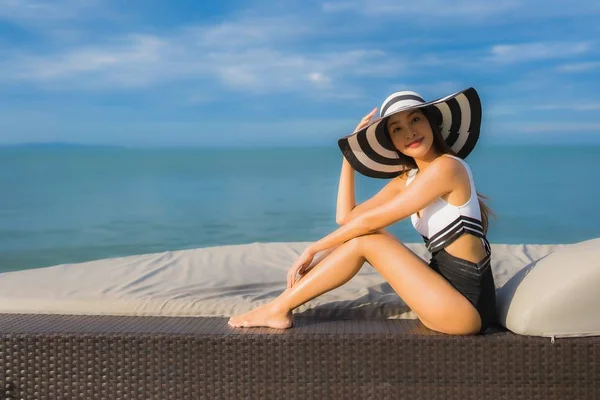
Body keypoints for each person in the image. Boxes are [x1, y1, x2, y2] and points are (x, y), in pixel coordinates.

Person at [228, 87, 497, 335]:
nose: (409, 132)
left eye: (415, 120)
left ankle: (277, 308)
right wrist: (349, 158)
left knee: (369, 240)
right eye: (396, 129)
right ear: (392, 141)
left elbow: (370, 222)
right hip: (443, 295)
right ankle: (281, 304)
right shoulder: (408, 179)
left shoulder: (448, 168)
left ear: (431, 122)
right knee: (363, 236)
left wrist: (313, 249)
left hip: (466, 308)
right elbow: (347, 218)